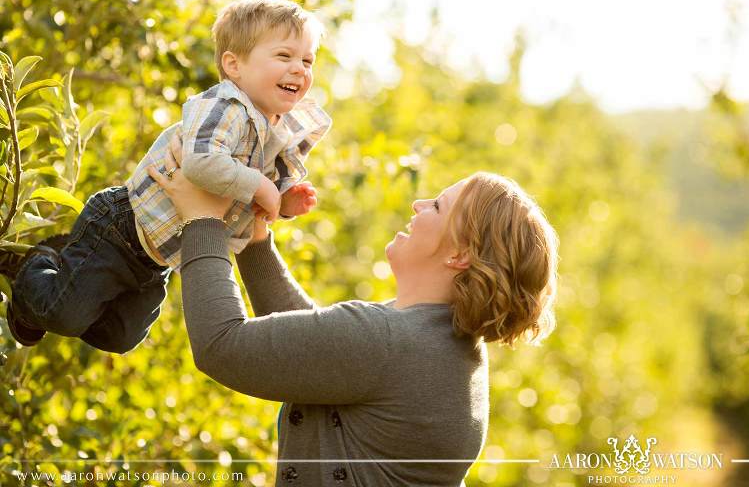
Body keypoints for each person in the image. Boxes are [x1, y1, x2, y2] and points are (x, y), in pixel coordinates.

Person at [146, 147, 560, 486]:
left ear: (460, 255)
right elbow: (321, 350)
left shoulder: (390, 341)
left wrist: (201, 221)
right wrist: (256, 241)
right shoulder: (436, 342)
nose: (418, 203)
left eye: (437, 205)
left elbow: (222, 347)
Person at [7, 0, 331, 352]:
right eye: (284, 56)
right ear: (234, 65)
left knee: (120, 337)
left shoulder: (276, 133)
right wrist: (261, 185)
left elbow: (251, 202)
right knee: (63, 313)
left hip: (156, 258)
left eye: (307, 60)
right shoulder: (226, 107)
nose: (300, 69)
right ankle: (31, 268)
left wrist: (283, 202)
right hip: (122, 228)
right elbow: (201, 162)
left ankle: (54, 290)